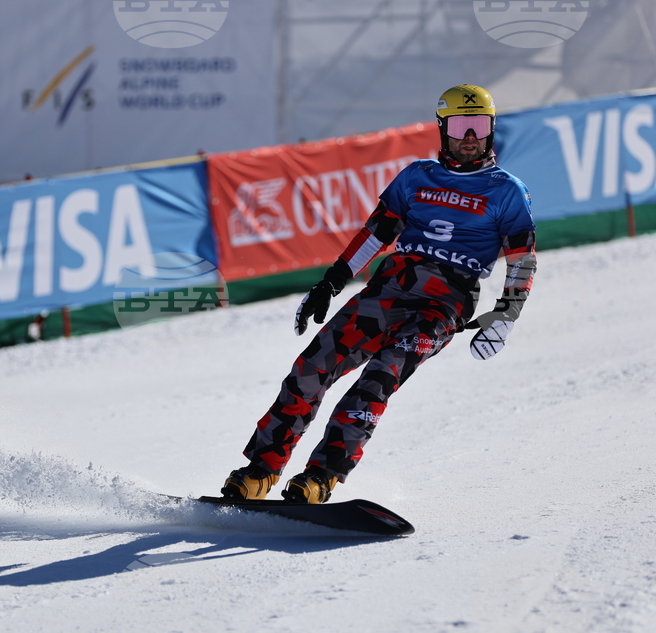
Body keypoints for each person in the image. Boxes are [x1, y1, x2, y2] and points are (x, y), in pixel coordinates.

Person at [221, 85, 537, 504]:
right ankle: (260, 471)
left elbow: (522, 258)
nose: (470, 136)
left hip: (443, 305)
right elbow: (375, 235)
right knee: (310, 369)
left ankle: (320, 478)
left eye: (479, 125)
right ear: (443, 129)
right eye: (461, 126)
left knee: (376, 382)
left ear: (491, 128)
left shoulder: (506, 190)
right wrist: (330, 283)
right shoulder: (416, 176)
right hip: (387, 290)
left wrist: (508, 312)